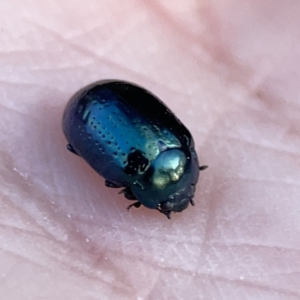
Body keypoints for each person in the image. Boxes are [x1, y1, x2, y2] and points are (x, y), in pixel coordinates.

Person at [1, 0, 299, 299]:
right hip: (89, 111)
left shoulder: (178, 143)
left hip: (96, 107)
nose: (182, 202)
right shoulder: (136, 167)